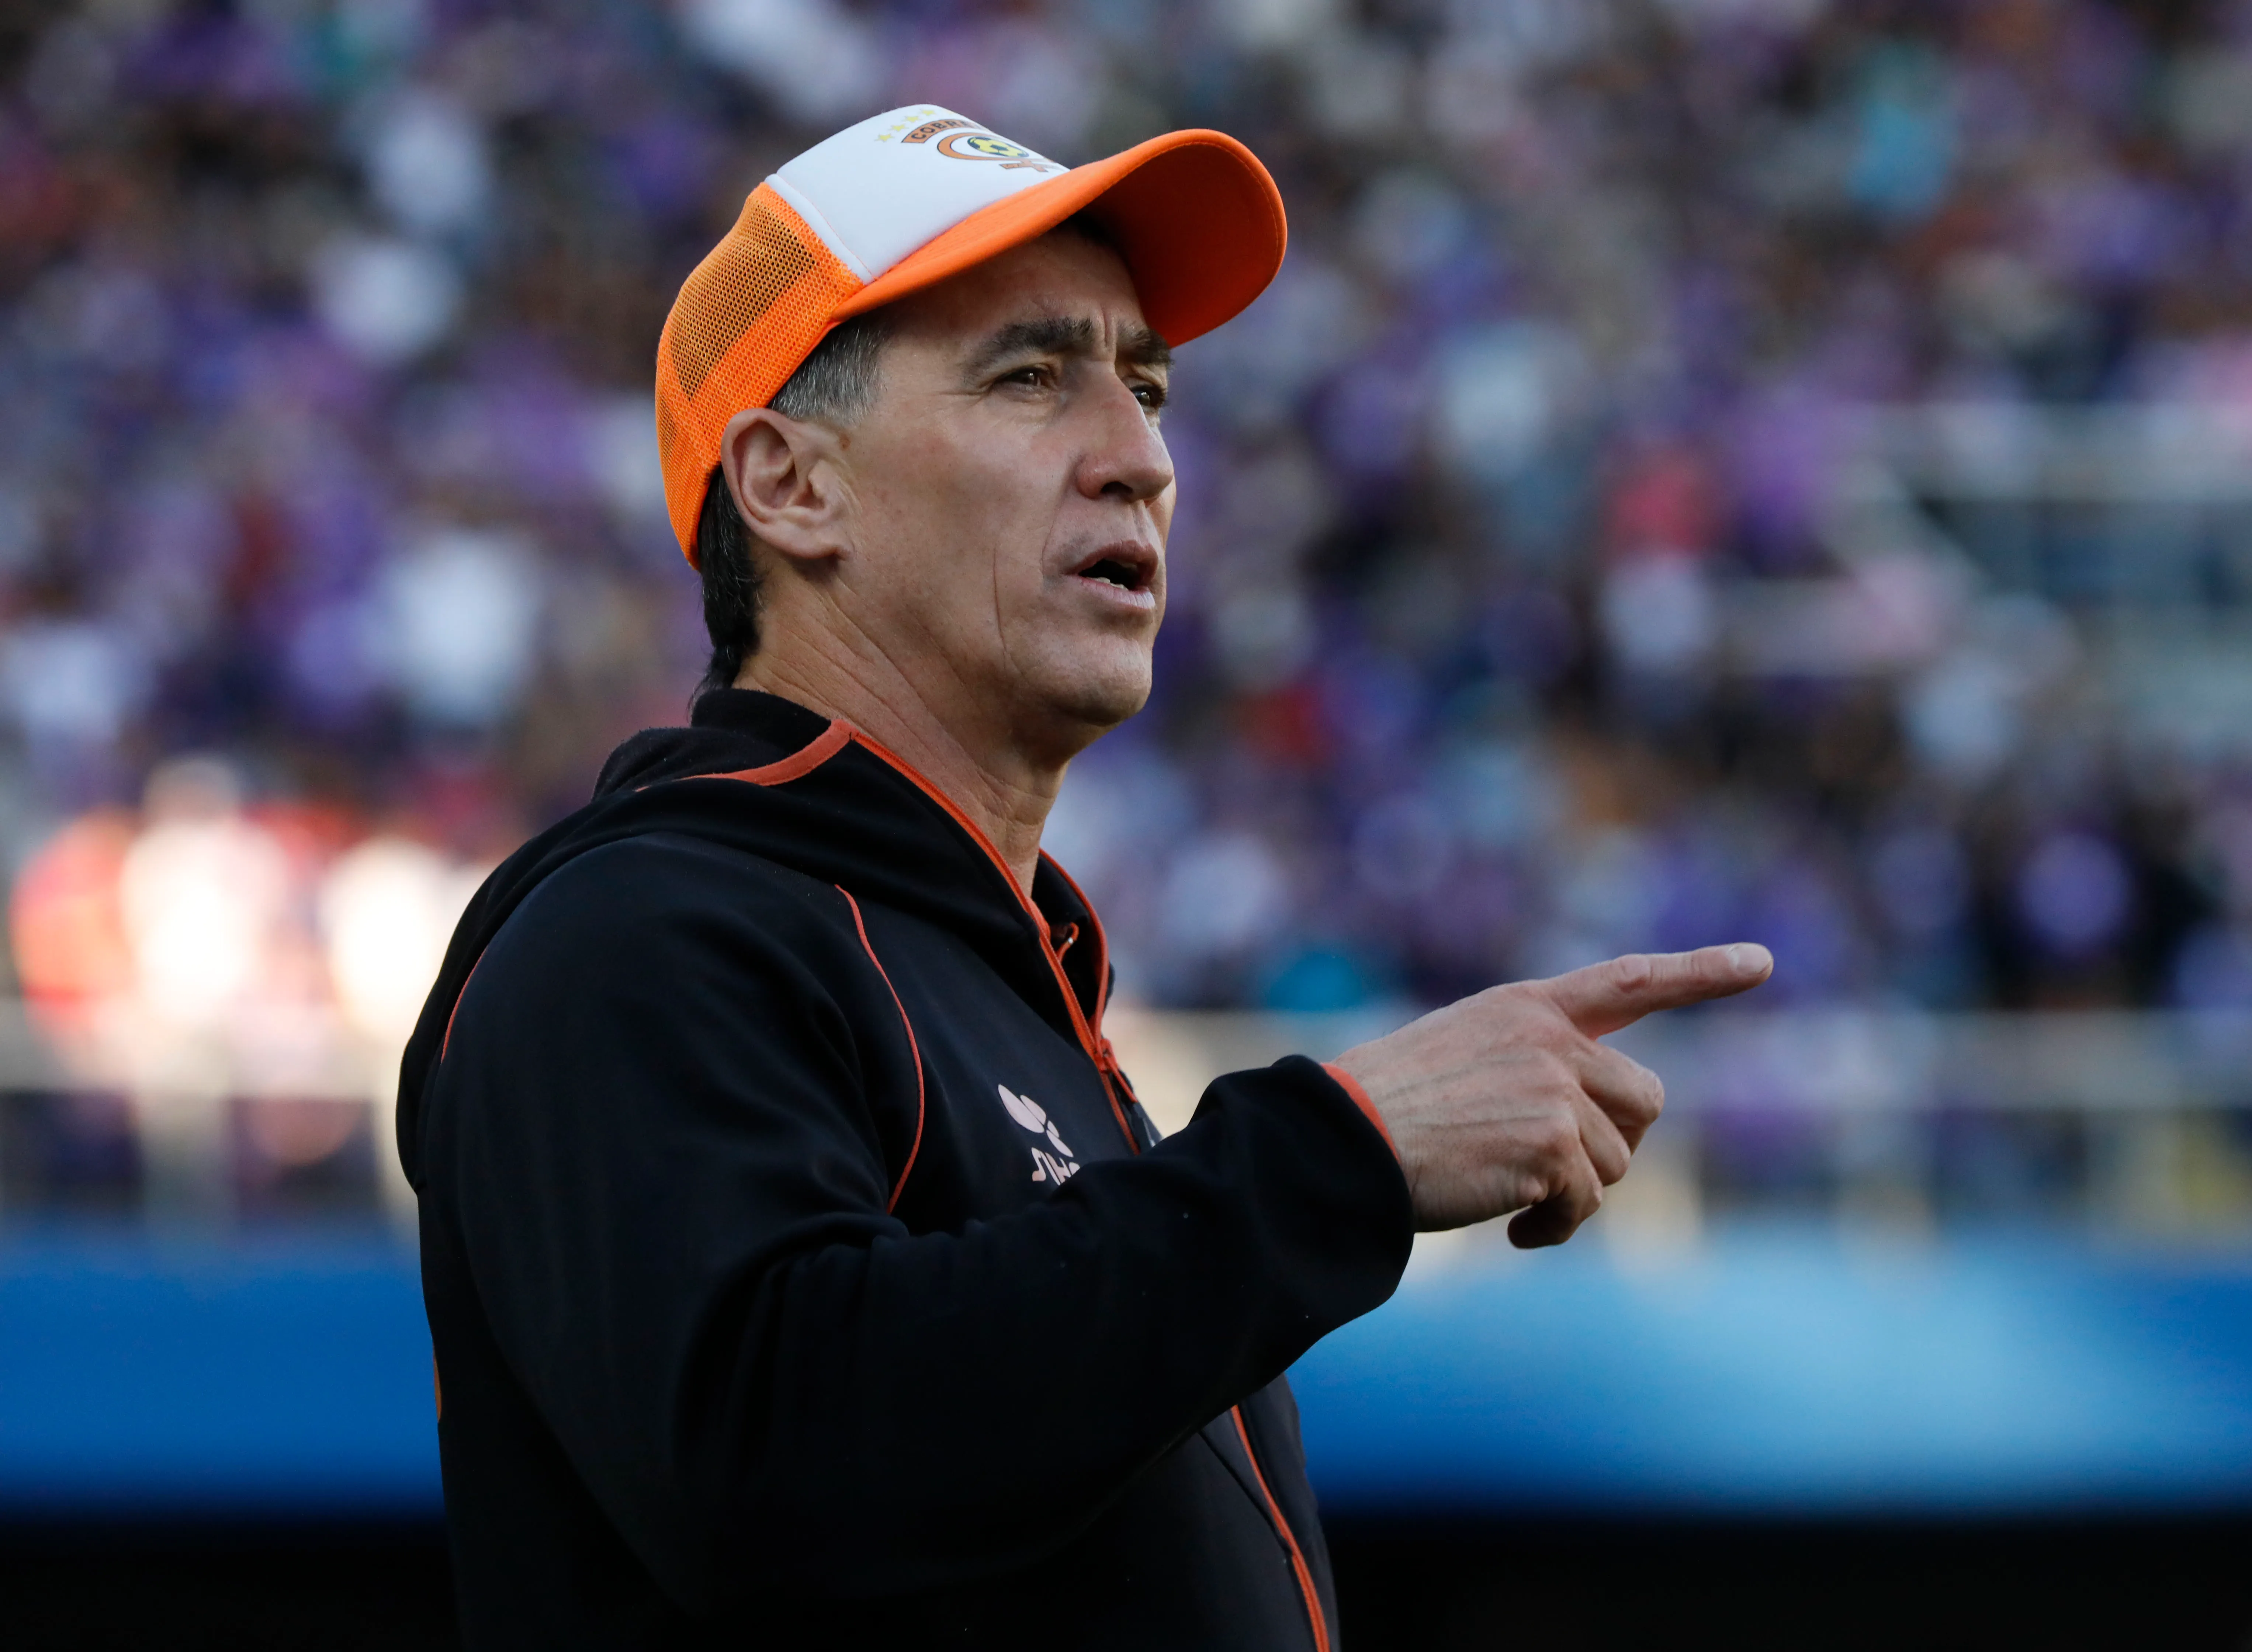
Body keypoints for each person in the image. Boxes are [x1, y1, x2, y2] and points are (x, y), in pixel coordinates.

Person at [396, 105, 1772, 1650]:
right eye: (1031, 377)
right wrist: (1342, 1153)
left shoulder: (1015, 1003)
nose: (1141, 459)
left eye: (1150, 384)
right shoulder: (643, 930)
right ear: (790, 486)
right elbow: (770, 1453)